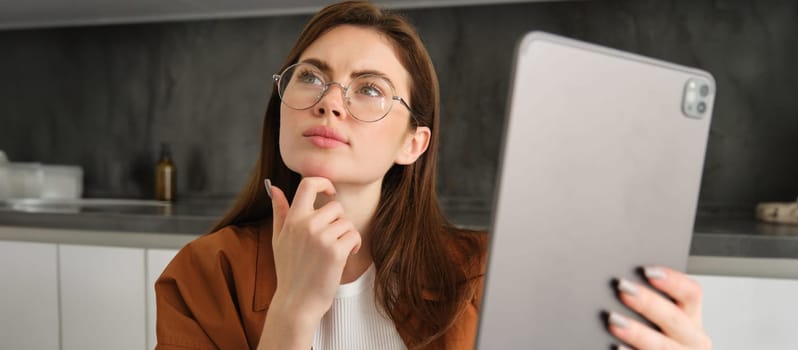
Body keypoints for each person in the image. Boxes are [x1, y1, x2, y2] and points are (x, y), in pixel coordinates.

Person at [154, 1, 712, 349]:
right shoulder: (202, 276)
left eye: (369, 88)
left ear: (413, 143)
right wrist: (294, 312)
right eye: (310, 77)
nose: (330, 103)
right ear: (281, 105)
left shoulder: (484, 277)